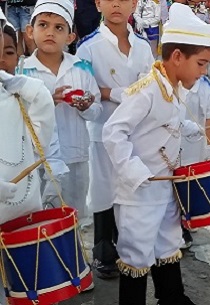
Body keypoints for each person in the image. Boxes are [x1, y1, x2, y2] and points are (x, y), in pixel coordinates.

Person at [102, 3, 210, 304]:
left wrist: (193, 129)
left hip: (165, 186)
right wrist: (136, 173)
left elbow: (170, 121)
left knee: (168, 244)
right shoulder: (147, 90)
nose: (204, 72)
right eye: (201, 64)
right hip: (139, 192)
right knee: (136, 254)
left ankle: (172, 297)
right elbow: (113, 131)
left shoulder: (171, 87)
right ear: (177, 57)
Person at [76, 0, 155, 279]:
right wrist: (115, 93)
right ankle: (103, 249)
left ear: (134, 4)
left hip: (136, 130)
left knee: (130, 186)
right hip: (102, 128)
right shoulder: (88, 47)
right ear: (98, 4)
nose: (117, 4)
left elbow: (151, 84)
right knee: (103, 188)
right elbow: (85, 86)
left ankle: (130, 245)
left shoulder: (143, 47)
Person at [23, 0, 102, 227]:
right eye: (43, 25)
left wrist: (87, 106)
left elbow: (96, 111)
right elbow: (20, 116)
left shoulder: (81, 68)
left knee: (73, 216)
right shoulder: (23, 71)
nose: (50, 32)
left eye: (59, 27)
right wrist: (47, 100)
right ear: (30, 31)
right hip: (39, 160)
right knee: (42, 218)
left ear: (70, 37)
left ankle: (74, 260)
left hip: (75, 157)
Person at [0, 16, 55, 304]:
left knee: (29, 289)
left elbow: (39, 145)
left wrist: (37, 93)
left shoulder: (20, 97)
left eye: (8, 52)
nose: (1, 62)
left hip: (23, 217)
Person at [179, 75, 210, 248]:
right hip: (173, 147)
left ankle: (189, 219)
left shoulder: (205, 88)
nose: (202, 70)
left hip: (197, 147)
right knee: (174, 187)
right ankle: (178, 226)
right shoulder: (168, 84)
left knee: (192, 185)